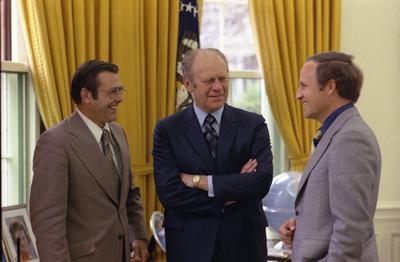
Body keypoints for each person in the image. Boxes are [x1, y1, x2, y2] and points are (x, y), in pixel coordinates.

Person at [152, 48, 273, 262]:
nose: (218, 87)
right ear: (188, 84)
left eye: (223, 79)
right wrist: (231, 194)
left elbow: (260, 182)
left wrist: (199, 181)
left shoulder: (253, 124)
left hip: (244, 245)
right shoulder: (167, 130)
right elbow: (170, 193)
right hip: (190, 245)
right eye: (209, 81)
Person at [30, 60, 149, 262]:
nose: (119, 98)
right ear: (86, 95)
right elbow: (48, 222)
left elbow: (129, 193)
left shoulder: (118, 133)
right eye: (112, 92)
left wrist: (138, 235)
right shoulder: (55, 142)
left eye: (120, 90)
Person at [279, 52, 381, 261]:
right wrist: (302, 228)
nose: (298, 95)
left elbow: (351, 231)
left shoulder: (351, 139)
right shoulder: (336, 133)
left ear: (330, 87)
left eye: (304, 86)